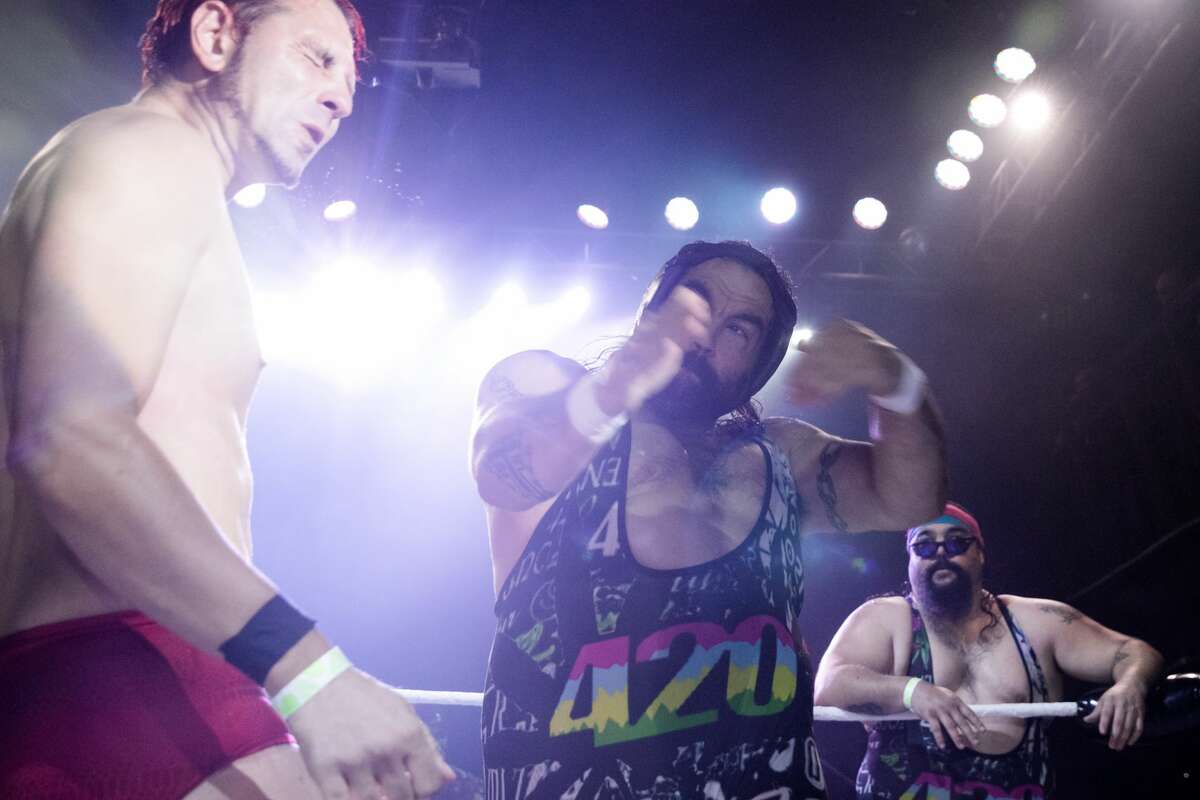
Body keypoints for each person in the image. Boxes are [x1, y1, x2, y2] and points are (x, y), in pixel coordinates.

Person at [0, 2, 453, 798]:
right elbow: (70, 437)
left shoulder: (144, 173)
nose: (344, 98)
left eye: (352, 81)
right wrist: (311, 673)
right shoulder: (147, 151)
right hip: (126, 672)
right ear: (216, 35)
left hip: (120, 670)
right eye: (317, 59)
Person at [469, 240, 946, 799]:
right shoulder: (550, 388)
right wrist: (619, 383)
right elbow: (500, 473)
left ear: (757, 366)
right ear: (652, 308)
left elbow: (912, 498)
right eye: (695, 303)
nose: (705, 336)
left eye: (739, 330)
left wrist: (897, 381)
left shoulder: (781, 455)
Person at [814, 502, 1164, 799]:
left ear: (979, 553)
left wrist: (1130, 685)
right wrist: (911, 690)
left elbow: (1133, 652)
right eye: (924, 545)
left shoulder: (1034, 621)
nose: (939, 553)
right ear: (909, 559)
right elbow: (828, 685)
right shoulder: (887, 618)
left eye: (955, 543)